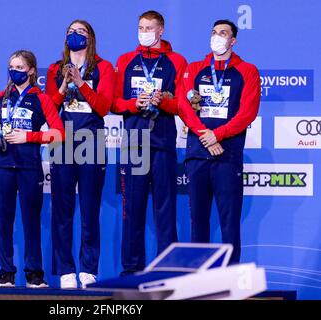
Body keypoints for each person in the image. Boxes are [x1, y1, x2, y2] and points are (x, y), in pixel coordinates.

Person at [111, 10, 187, 275]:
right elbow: (113, 103)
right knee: (132, 207)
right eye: (140, 27)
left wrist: (162, 101)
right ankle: (131, 269)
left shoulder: (177, 61)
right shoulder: (126, 60)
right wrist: (134, 104)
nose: (143, 32)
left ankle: (167, 268)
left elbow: (182, 105)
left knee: (165, 209)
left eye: (149, 28)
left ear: (161, 30)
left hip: (163, 142)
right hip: (134, 142)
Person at [178, 20, 260, 263]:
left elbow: (248, 112)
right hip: (197, 154)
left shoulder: (247, 71)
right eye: (214, 32)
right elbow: (184, 106)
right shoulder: (195, 69)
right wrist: (206, 135)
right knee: (198, 221)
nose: (217, 37)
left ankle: (231, 277)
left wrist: (219, 134)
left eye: (223, 33)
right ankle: (198, 277)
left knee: (229, 221)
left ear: (233, 40)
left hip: (227, 155)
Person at [0, 50, 65, 288]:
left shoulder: (42, 99)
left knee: (31, 222)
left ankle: (34, 275)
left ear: (31, 71)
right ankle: (6, 274)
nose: (14, 71)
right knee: (3, 222)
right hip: (3, 167)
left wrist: (29, 137)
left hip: (29, 168)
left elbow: (58, 133)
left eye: (19, 67)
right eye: (11, 67)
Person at [46, 19, 115, 288]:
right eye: (71, 32)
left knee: (89, 209)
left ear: (91, 38)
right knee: (62, 210)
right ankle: (65, 270)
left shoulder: (104, 67)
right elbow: (50, 108)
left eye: (81, 31)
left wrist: (81, 82)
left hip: (91, 141)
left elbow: (104, 106)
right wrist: (65, 84)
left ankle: (88, 269)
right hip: (62, 142)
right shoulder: (54, 69)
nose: (75, 35)